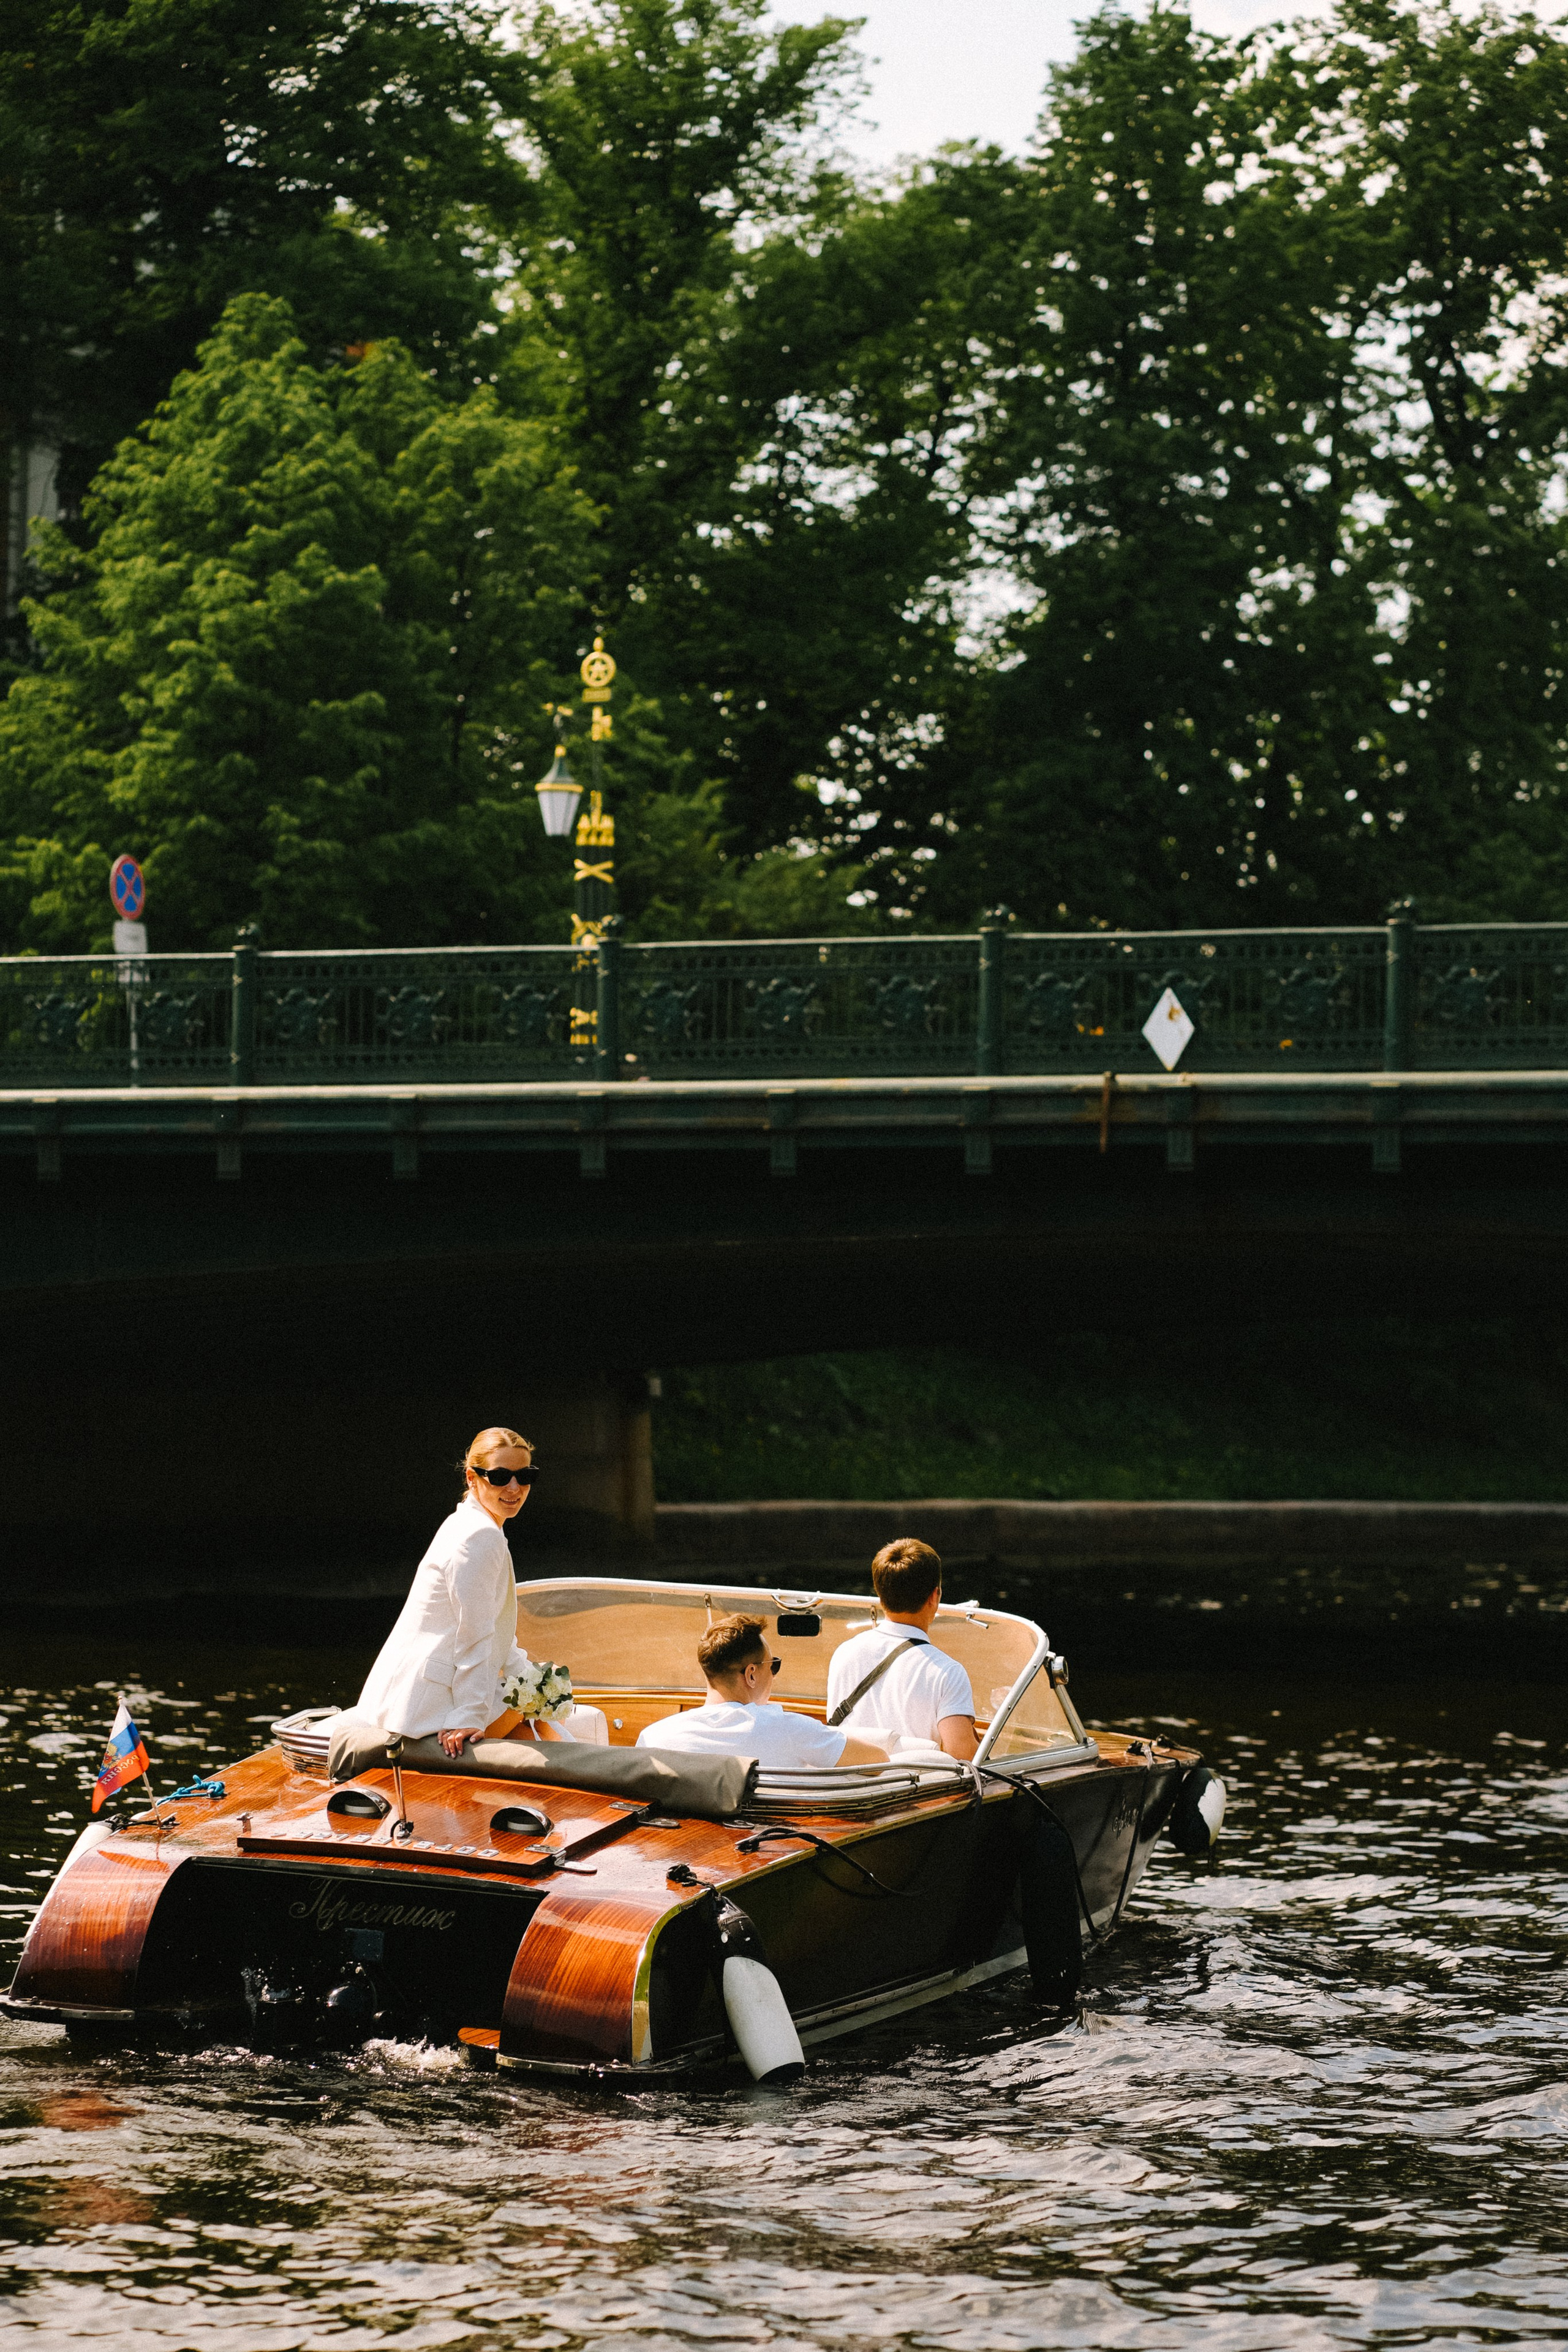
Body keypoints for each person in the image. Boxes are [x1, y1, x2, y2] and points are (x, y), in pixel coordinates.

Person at [356, 1426, 560, 1760]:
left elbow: (494, 1632)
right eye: (500, 1476)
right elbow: (476, 1634)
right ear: (472, 1478)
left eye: (525, 1476)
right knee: (543, 1741)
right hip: (428, 1709)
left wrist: (532, 1682)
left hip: (412, 1695)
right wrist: (468, 1716)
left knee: (536, 1721)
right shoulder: (479, 1537)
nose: (514, 1487)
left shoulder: (465, 1523)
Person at [638, 1615, 888, 1768]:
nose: (775, 1674)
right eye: (773, 1665)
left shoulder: (654, 1737)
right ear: (751, 1675)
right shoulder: (787, 1728)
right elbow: (878, 1760)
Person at [824, 1539, 978, 1760]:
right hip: (913, 1791)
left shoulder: (843, 1653)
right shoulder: (948, 1673)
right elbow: (962, 1756)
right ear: (935, 1597)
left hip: (850, 1787)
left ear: (881, 1596)